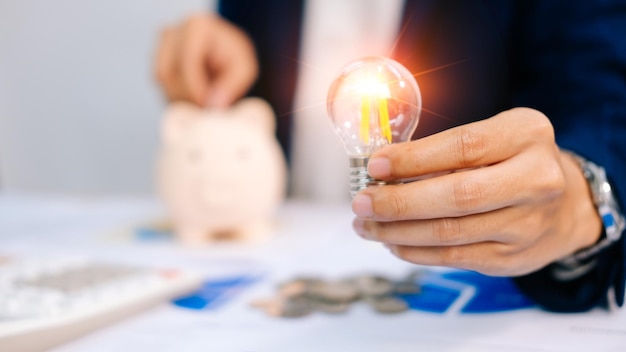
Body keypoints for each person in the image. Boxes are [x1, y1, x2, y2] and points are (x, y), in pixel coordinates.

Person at [153, 0, 626, 312]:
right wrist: (219, 65)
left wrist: (579, 193)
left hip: (458, 277)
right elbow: (250, 71)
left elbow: (603, 100)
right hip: (271, 256)